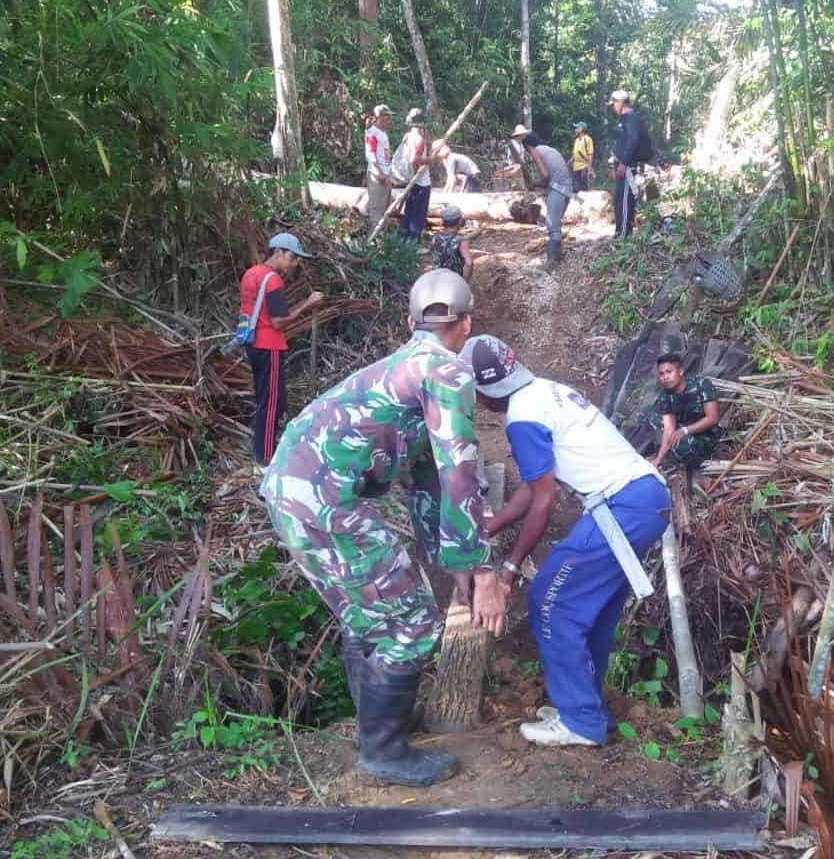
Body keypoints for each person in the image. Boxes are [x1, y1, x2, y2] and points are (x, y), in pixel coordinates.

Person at [260, 270, 508, 787]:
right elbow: (458, 471)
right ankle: (384, 750)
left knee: (368, 614)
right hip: (323, 499)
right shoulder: (446, 371)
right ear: (466, 324)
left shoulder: (403, 366)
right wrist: (483, 570)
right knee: (413, 621)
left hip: (295, 487)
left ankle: (378, 724)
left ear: (409, 321)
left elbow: (426, 482)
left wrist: (453, 560)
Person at [464, 334, 671, 749]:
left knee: (550, 599)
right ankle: (588, 708)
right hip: (647, 499)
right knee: (590, 609)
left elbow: (545, 499)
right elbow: (533, 484)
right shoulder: (546, 392)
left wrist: (509, 568)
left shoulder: (521, 417)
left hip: (622, 506)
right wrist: (492, 527)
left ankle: (580, 720)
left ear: (483, 394)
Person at [238, 233, 324, 466]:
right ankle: (265, 456)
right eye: (292, 257)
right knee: (271, 402)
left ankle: (266, 445)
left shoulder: (251, 274)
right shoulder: (272, 279)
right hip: (269, 346)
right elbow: (278, 321)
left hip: (252, 345)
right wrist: (308, 304)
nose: (295, 263)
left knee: (270, 398)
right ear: (278, 252)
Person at [506, 126, 573, 272]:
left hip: (558, 189)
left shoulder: (536, 151)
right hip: (567, 189)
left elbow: (546, 175)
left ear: (528, 146)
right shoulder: (550, 149)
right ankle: (558, 255)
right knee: (555, 223)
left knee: (552, 225)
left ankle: (551, 262)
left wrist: (536, 183)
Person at [650, 353, 722, 470]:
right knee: (652, 419)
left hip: (707, 435)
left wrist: (684, 431)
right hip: (684, 431)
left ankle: (698, 468)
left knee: (679, 443)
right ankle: (670, 454)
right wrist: (658, 460)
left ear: (680, 371)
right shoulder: (665, 395)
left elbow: (713, 418)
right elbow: (669, 429)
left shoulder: (701, 385)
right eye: (661, 374)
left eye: (669, 372)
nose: (665, 377)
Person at [609, 89, 644, 237]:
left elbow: (633, 140)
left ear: (621, 102)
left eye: (613, 104)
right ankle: (622, 232)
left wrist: (623, 163)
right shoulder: (624, 119)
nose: (612, 107)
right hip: (622, 166)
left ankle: (623, 235)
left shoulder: (630, 118)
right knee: (620, 200)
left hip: (628, 167)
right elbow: (621, 144)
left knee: (623, 200)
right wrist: (613, 164)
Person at [395, 108, 435, 241]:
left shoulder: (407, 137)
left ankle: (401, 239)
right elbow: (414, 159)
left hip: (411, 180)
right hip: (421, 182)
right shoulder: (419, 140)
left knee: (409, 212)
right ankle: (413, 244)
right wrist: (429, 160)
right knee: (418, 214)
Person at [363, 104, 394, 231]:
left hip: (385, 173)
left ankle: (384, 239)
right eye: (387, 118)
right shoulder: (372, 133)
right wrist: (379, 173)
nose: (389, 121)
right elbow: (371, 155)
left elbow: (384, 155)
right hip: (377, 175)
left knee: (386, 208)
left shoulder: (382, 133)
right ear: (379, 118)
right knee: (376, 208)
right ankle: (375, 241)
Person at [430, 204, 474, 282]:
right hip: (453, 281)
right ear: (460, 221)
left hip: (436, 279)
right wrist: (464, 283)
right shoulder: (461, 240)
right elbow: (469, 263)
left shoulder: (435, 237)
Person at [570, 122, 594, 193]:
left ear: (581, 129)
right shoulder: (576, 140)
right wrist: (569, 162)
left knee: (584, 189)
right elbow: (575, 154)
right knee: (575, 188)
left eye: (576, 128)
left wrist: (589, 169)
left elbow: (590, 154)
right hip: (576, 167)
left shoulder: (588, 139)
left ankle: (585, 203)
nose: (575, 130)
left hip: (584, 167)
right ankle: (577, 203)